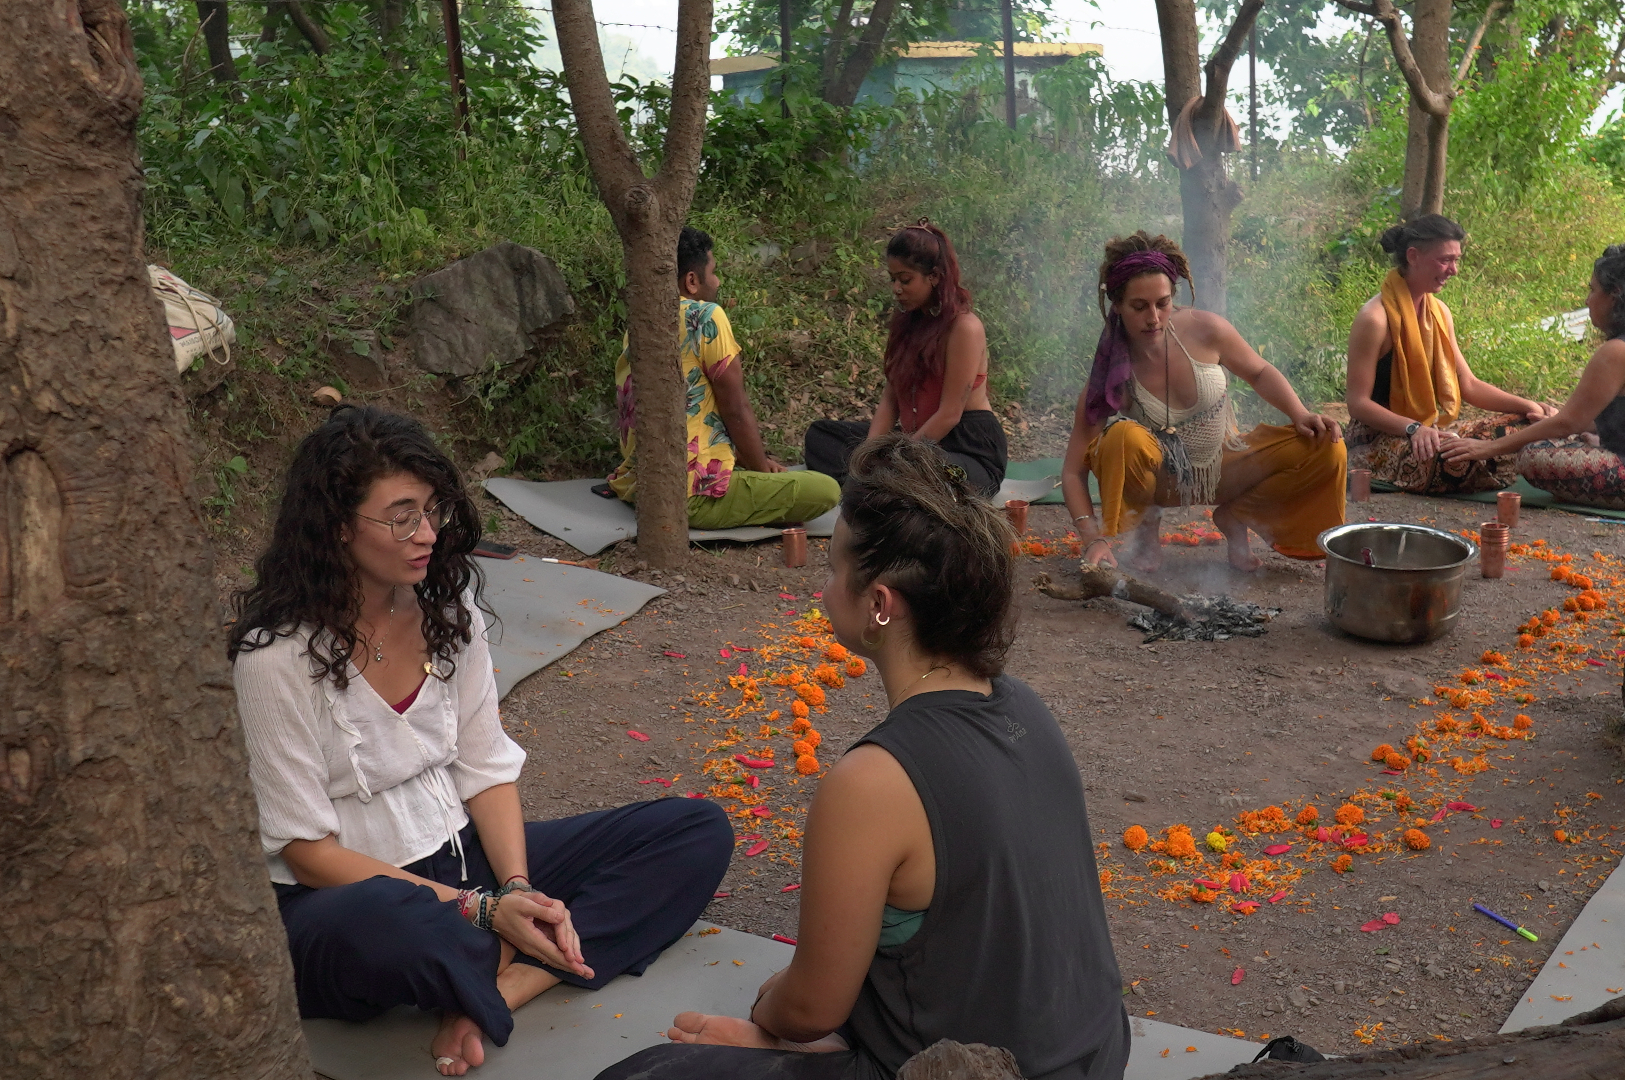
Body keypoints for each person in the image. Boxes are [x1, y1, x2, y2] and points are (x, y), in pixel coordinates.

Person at [596, 435, 1128, 1080]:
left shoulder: (872, 782)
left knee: (641, 1073)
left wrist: (771, 1009)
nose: (824, 588)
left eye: (833, 568)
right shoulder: (1024, 707)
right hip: (1094, 1055)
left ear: (879, 603)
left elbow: (809, 1007)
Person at [230, 406, 733, 1077]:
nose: (427, 533)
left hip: (463, 865)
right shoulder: (275, 660)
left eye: (433, 510)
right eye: (402, 515)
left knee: (695, 832)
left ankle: (508, 983)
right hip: (345, 900)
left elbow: (486, 767)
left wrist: (517, 889)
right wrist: (483, 911)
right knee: (403, 928)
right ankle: (488, 955)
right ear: (340, 527)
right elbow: (309, 853)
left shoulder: (447, 610)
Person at [1062, 232, 1347, 573]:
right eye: (1139, 307)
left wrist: (1299, 412)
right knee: (1120, 439)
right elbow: (1072, 472)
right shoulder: (1111, 371)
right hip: (1163, 483)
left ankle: (1236, 514)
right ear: (1118, 305)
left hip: (1226, 467)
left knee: (1326, 445)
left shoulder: (1206, 329)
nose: (1153, 317)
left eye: (1163, 303)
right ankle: (1146, 532)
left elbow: (1258, 372)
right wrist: (1093, 539)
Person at [608, 226, 841, 528]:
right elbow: (735, 407)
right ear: (692, 280)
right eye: (713, 272)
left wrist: (748, 461)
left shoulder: (640, 323)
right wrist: (760, 469)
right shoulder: (705, 316)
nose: (717, 282)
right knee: (825, 489)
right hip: (687, 494)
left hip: (639, 485)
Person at [1442, 241, 1625, 512]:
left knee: (1532, 458)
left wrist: (1489, 448)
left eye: (1592, 290)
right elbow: (1623, 419)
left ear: (1615, 295)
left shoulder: (1620, 351)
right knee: (1529, 432)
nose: (1587, 301)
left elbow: (1569, 423)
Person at [1343, 214, 1556, 494]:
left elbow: (1468, 384)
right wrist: (1413, 429)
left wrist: (1529, 406)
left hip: (1428, 432)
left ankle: (1492, 459)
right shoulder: (1375, 318)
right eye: (1445, 260)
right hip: (1378, 438)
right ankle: (1499, 464)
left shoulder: (1439, 312)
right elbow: (1357, 403)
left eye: (1456, 260)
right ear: (1413, 256)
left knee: (1531, 426)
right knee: (1444, 459)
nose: (1453, 270)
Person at [804, 220, 1007, 497]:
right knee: (822, 437)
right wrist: (869, 454)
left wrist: (898, 457)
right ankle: (884, 482)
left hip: (964, 449)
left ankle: (886, 484)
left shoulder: (964, 328)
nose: (896, 288)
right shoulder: (906, 323)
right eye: (893, 279)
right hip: (912, 442)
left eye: (905, 279)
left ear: (934, 277)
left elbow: (950, 414)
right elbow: (891, 399)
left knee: (933, 473)